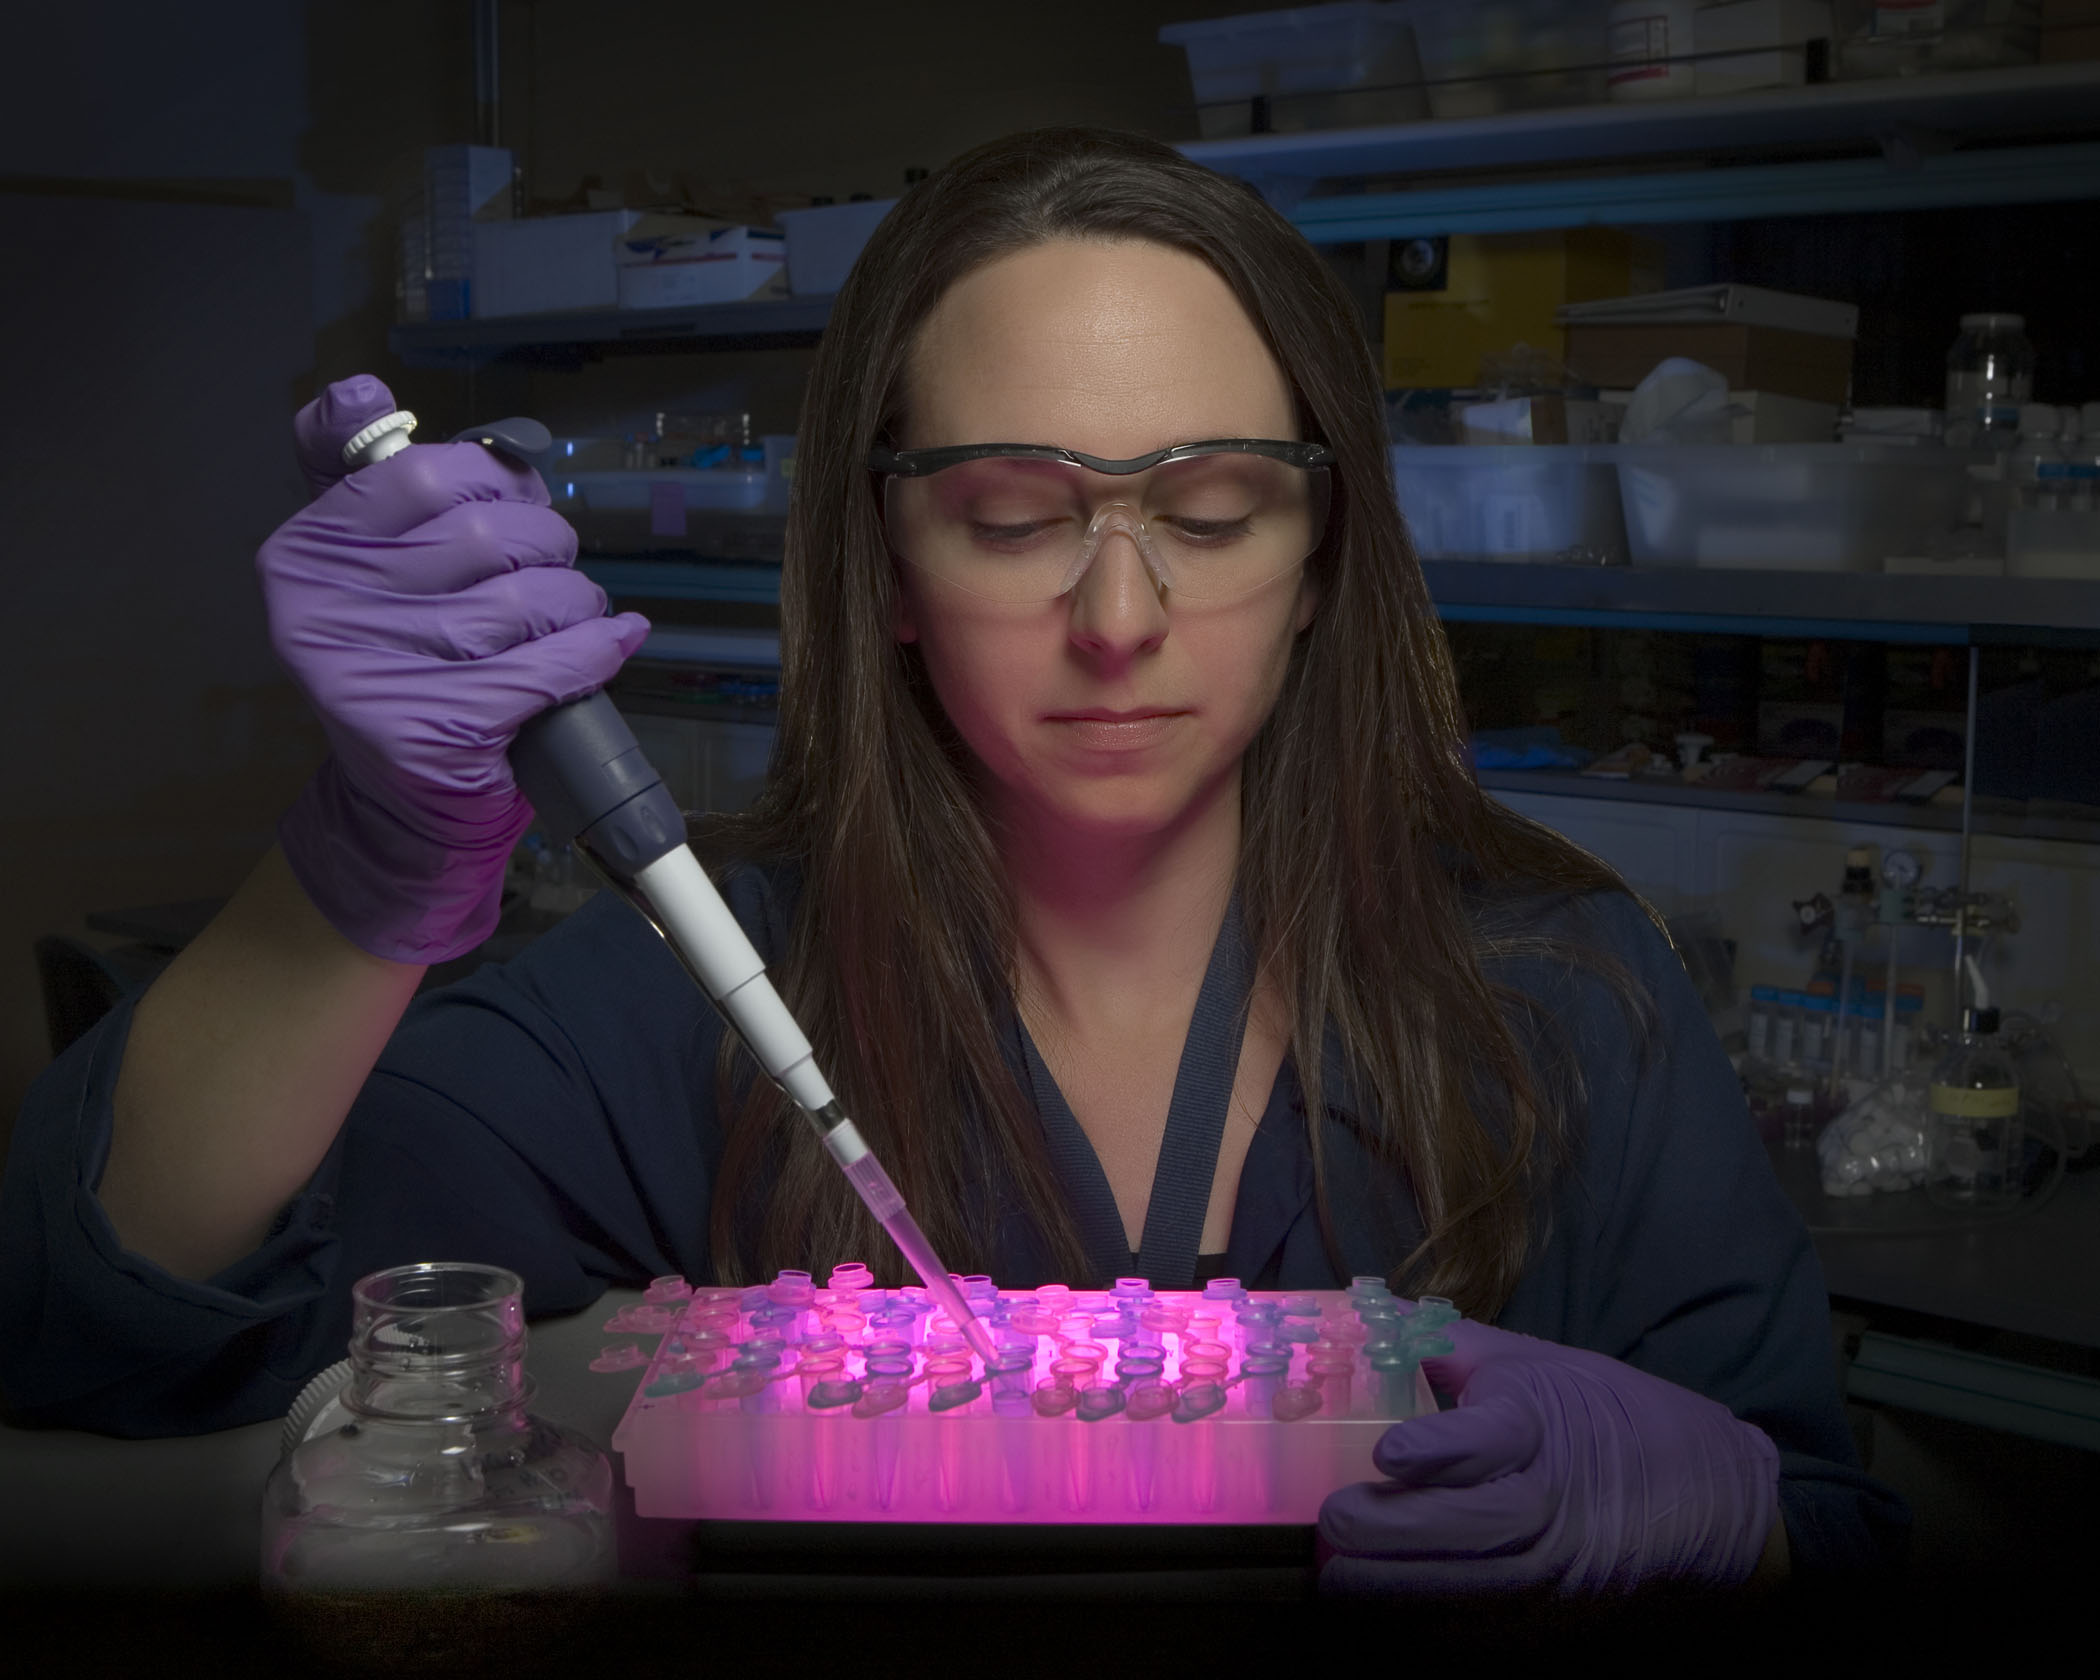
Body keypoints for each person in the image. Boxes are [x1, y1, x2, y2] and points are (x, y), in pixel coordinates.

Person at [0, 127, 1903, 1598]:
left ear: (1324, 555)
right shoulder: (680, 997)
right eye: (1013, 518)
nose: (1122, 614)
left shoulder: (1561, 994)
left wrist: (1733, 1516)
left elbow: (1841, 1526)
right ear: (892, 574)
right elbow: (100, 1344)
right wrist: (355, 877)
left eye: (1216, 508)